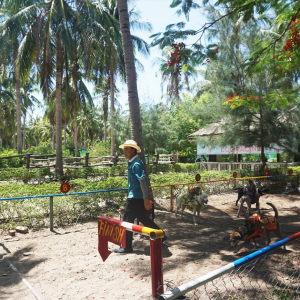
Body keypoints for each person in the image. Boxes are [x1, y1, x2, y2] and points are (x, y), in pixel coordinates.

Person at [114, 140, 167, 253]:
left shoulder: (136, 163)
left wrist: (145, 199)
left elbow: (142, 181)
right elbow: (144, 180)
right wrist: (147, 195)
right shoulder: (134, 162)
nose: (124, 152)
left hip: (135, 198)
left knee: (127, 221)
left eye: (127, 149)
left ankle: (127, 246)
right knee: (142, 218)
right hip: (137, 197)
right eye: (124, 149)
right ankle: (161, 234)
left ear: (133, 150)